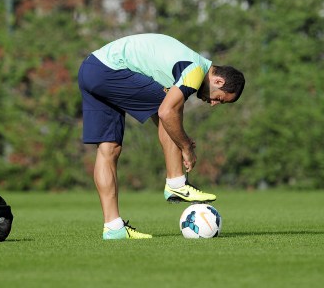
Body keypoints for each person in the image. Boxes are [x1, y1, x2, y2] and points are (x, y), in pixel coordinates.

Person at [77, 33, 245, 240]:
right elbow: (166, 112)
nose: (213, 104)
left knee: (108, 148)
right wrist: (186, 147)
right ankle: (176, 183)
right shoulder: (195, 70)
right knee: (170, 107)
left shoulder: (191, 64)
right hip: (109, 70)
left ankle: (113, 227)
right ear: (218, 80)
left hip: (89, 68)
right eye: (219, 98)